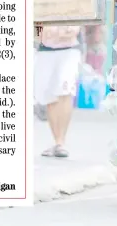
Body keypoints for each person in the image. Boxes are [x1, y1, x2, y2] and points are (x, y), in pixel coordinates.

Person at [34, 25, 82, 157]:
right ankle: (56, 141)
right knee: (49, 95)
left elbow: (79, 20)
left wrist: (69, 31)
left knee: (65, 91)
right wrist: (40, 33)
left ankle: (61, 141)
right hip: (45, 50)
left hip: (69, 49)